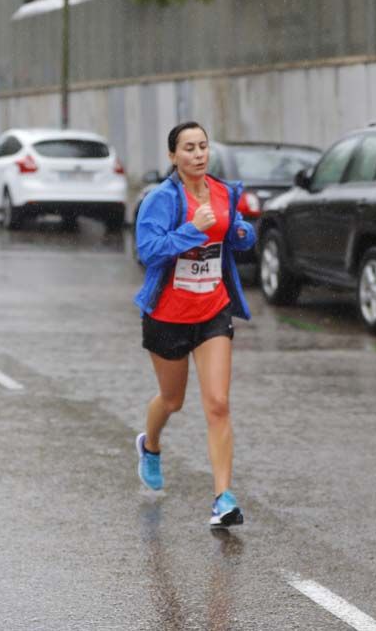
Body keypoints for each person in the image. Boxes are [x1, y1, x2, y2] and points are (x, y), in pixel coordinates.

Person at [133, 121, 256, 528]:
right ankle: (150, 446)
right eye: (189, 148)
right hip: (167, 315)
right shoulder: (161, 200)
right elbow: (148, 251)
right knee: (172, 401)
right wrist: (191, 230)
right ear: (173, 156)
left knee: (218, 404)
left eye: (203, 146)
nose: (199, 154)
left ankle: (223, 499)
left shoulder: (223, 192)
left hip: (212, 310)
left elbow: (239, 236)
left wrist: (240, 231)